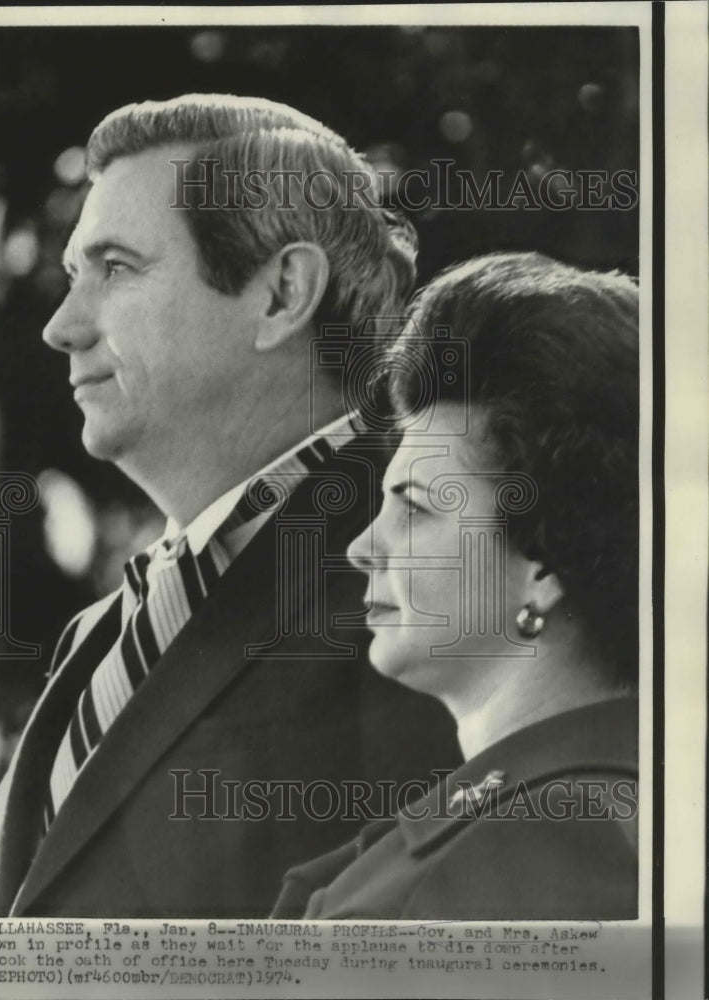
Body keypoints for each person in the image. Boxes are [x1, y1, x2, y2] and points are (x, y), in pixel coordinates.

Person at [0, 94, 459, 917]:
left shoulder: (438, 586)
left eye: (116, 268)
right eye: (71, 276)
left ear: (280, 294)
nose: (62, 325)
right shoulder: (95, 637)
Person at [273, 251, 640, 920]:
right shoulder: (533, 822)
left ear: (544, 560)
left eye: (413, 507)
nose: (362, 548)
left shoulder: (546, 844)